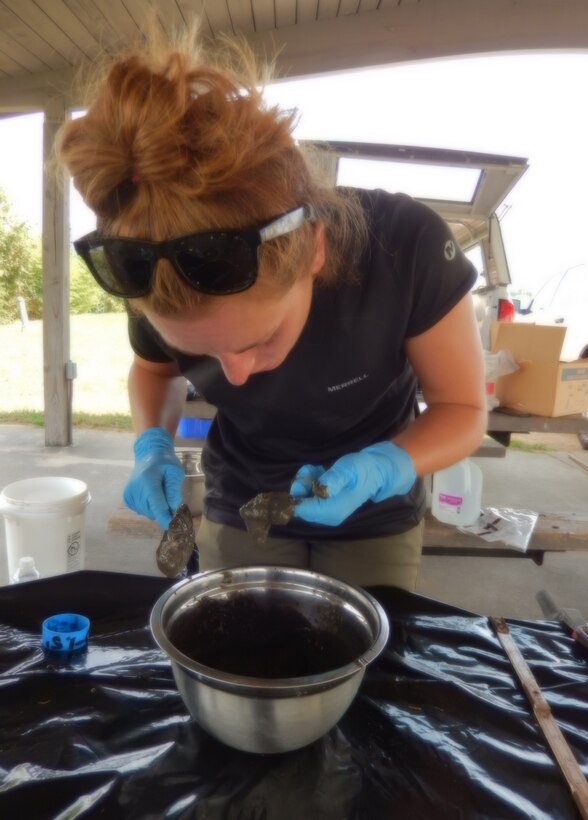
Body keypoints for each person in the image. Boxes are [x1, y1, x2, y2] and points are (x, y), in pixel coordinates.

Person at [57, 27, 486, 591]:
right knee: (241, 654)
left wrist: (387, 465)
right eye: (202, 354)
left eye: (259, 340)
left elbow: (462, 407)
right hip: (240, 495)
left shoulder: (406, 249)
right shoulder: (157, 269)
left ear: (315, 249)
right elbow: (152, 372)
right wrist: (151, 445)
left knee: (361, 658)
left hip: (372, 511)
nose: (231, 377)